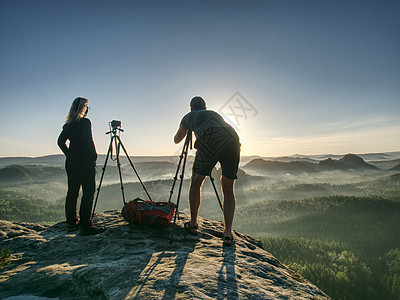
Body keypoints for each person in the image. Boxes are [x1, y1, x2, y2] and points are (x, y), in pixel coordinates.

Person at [174, 96, 240, 246]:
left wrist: (187, 127)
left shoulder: (188, 117)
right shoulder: (213, 113)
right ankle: (228, 233)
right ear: (204, 108)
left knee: (196, 181)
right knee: (228, 187)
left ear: (191, 108)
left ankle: (193, 224)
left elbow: (177, 139)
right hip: (232, 139)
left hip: (209, 139)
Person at [57, 97, 104, 235]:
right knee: (89, 192)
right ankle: (85, 225)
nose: (88, 109)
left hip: (71, 162)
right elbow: (88, 141)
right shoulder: (85, 122)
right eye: (87, 106)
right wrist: (94, 157)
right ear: (83, 108)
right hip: (84, 161)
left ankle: (71, 222)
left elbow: (60, 142)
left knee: (72, 191)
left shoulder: (68, 125)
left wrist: (69, 154)